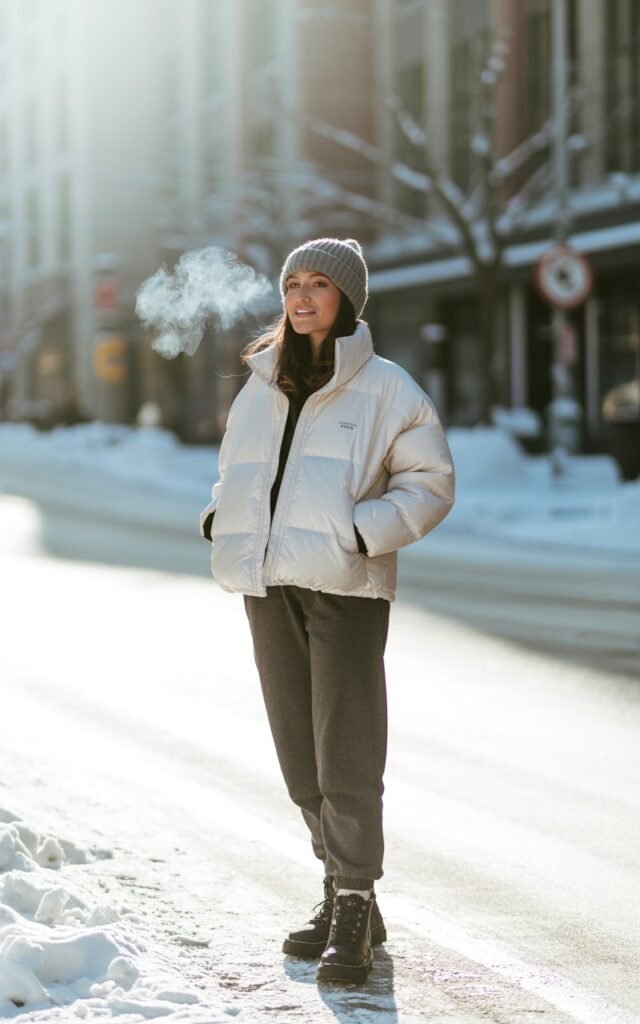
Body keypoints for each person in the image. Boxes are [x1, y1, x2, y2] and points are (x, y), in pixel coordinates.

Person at [201, 237, 454, 983]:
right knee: (297, 755)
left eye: (319, 285)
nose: (303, 297)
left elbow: (430, 483)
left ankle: (353, 903)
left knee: (345, 750)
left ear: (348, 299)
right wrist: (221, 518)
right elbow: (237, 474)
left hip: (345, 588)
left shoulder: (388, 388)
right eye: (293, 284)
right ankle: (341, 888)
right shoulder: (259, 381)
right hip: (268, 584)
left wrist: (359, 531)